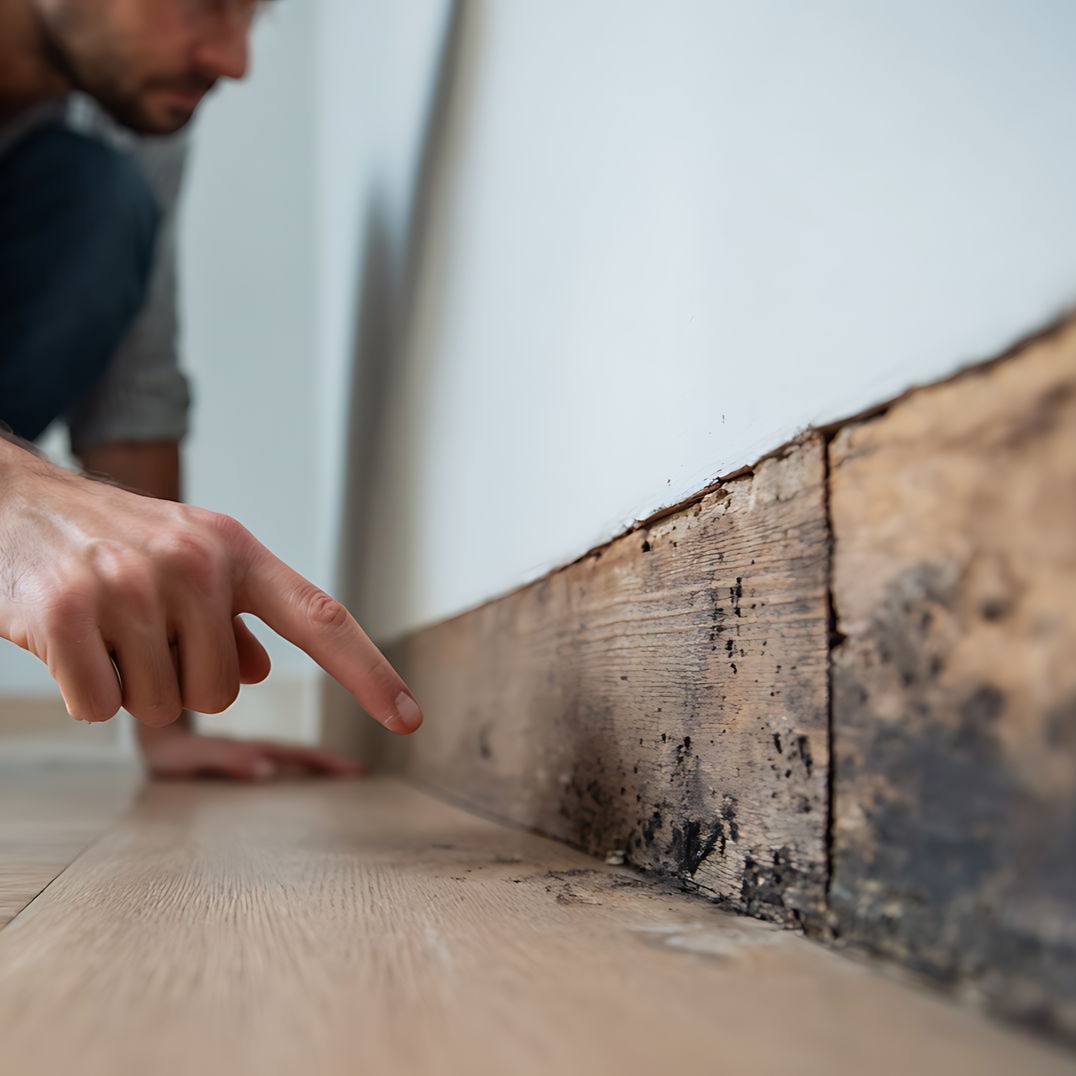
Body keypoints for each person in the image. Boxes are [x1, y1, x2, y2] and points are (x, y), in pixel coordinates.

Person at [0, 0, 424, 778]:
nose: (234, 61)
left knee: (97, 199)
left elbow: (132, 382)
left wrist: (165, 722)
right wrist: (11, 495)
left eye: (252, 18)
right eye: (204, 3)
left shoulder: (124, 115)